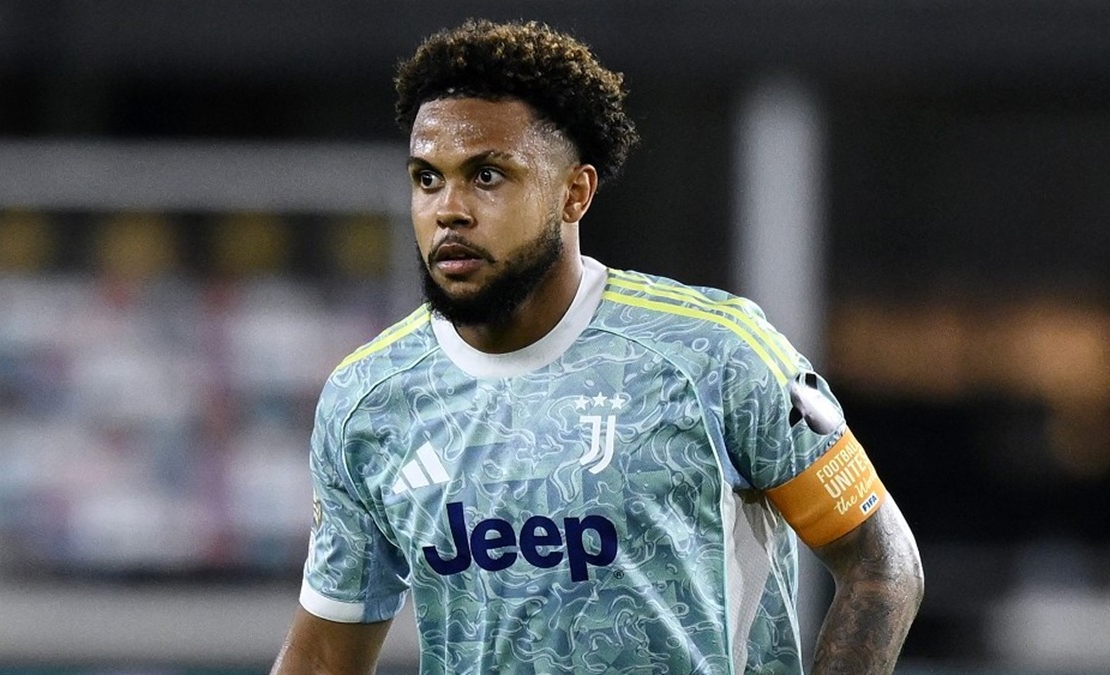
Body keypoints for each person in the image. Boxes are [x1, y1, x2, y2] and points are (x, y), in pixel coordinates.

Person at [272, 18, 923, 675]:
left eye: (487, 176)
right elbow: (323, 657)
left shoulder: (714, 353)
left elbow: (881, 563)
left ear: (574, 193)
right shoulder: (370, 400)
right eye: (427, 178)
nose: (449, 209)